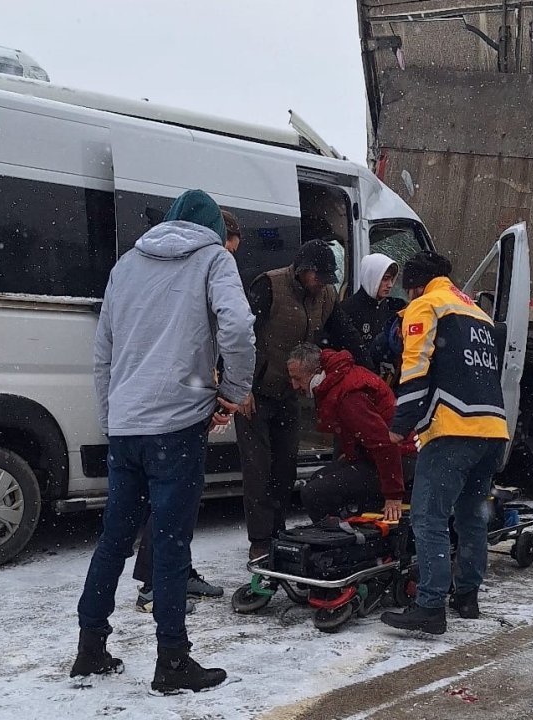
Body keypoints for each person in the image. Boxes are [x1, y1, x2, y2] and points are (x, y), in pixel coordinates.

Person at [72, 189, 255, 694]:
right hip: (176, 426)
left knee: (114, 539)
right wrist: (235, 392)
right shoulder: (214, 259)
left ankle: (90, 648)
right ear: (215, 229)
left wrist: (113, 420)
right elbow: (239, 327)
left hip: (128, 429)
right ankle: (172, 660)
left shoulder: (126, 265)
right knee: (172, 544)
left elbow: (103, 352)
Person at [379, 251, 509, 635]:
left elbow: (415, 370)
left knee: (429, 517)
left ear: (414, 285)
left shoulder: (426, 306)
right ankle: (467, 596)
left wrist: (400, 425)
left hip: (453, 427)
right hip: (493, 430)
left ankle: (430, 606)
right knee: (471, 517)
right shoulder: (477, 313)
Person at [128, 209, 247, 613]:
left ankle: (181, 571)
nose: (229, 256)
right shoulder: (204, 262)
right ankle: (152, 584)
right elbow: (221, 333)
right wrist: (231, 390)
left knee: (185, 497)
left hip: (179, 399)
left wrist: (212, 392)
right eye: (229, 247)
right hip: (171, 408)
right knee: (169, 499)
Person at [237, 238, 367, 560]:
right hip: (255, 394)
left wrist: (371, 368)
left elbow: (345, 332)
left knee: (285, 468)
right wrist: (241, 387)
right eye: (319, 275)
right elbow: (240, 334)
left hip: (288, 395)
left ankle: (279, 533)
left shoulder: (324, 295)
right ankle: (260, 541)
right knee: (258, 471)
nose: (323, 282)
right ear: (304, 270)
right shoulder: (269, 286)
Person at [285, 343, 415, 523]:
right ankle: (345, 528)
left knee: (314, 493)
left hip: (400, 459)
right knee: (318, 480)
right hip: (387, 456)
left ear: (315, 373)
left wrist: (393, 494)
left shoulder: (348, 394)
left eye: (297, 379)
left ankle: (338, 539)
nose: (294, 385)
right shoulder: (341, 379)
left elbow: (385, 443)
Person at [341, 253, 407, 382]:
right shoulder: (347, 309)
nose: (390, 285)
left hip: (382, 381)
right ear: (372, 278)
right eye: (385, 279)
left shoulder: (388, 307)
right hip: (357, 381)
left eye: (391, 279)